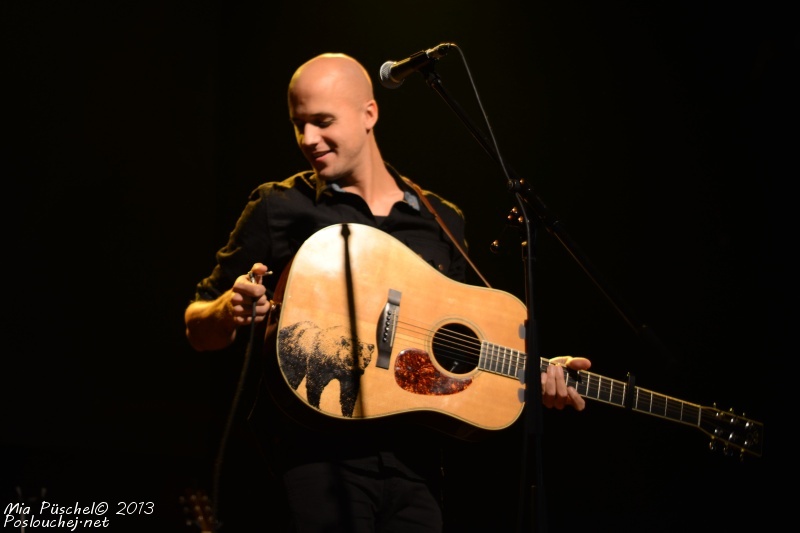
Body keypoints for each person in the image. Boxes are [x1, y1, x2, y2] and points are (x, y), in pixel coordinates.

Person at [184, 52, 591, 533]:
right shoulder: (278, 206)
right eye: (299, 124)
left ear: (369, 114)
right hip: (314, 461)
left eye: (323, 122)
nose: (308, 139)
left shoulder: (441, 220)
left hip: (417, 467)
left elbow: (463, 353)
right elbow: (196, 327)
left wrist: (536, 372)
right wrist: (227, 309)